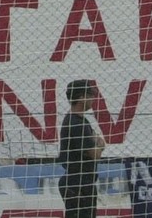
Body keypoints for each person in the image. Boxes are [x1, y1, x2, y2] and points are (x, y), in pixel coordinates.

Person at [58, 79, 106, 218]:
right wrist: (99, 145)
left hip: (80, 182)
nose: (93, 99)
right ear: (81, 97)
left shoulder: (80, 121)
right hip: (78, 185)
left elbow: (99, 141)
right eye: (90, 95)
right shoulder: (77, 124)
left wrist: (98, 144)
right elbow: (95, 153)